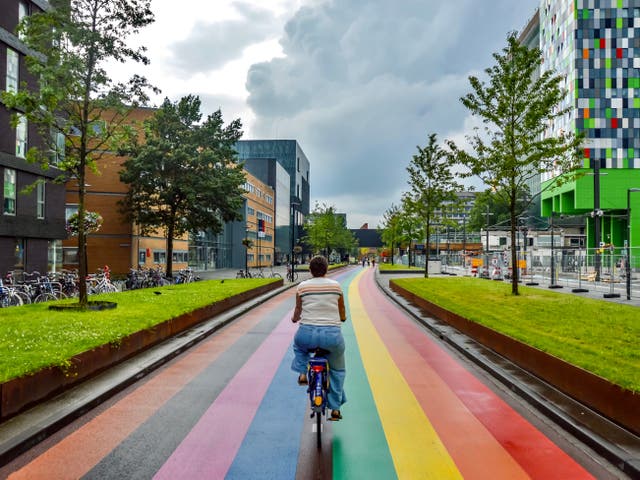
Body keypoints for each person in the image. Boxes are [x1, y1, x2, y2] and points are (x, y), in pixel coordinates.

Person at [291, 255, 347, 421]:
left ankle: (302, 373)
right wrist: (342, 318)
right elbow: (341, 308)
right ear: (326, 270)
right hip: (332, 336)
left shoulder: (302, 287)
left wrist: (295, 319)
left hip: (306, 333)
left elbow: (298, 310)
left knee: (298, 346)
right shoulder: (336, 286)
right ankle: (335, 408)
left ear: (310, 270)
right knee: (337, 371)